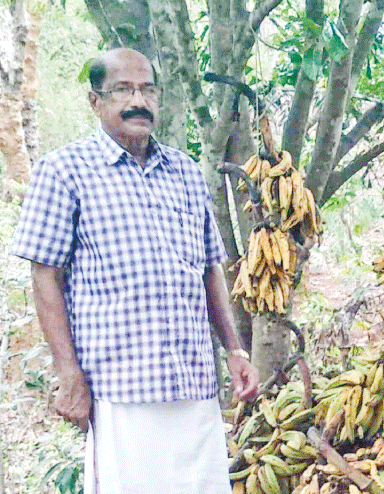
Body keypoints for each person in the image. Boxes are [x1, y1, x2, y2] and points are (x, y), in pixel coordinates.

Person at [10, 48, 259, 494]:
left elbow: (208, 270)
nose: (137, 100)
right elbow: (45, 276)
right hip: (121, 391)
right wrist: (69, 374)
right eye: (123, 89)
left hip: (195, 385)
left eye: (147, 89)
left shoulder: (184, 172)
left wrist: (235, 351)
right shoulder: (65, 171)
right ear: (96, 101)